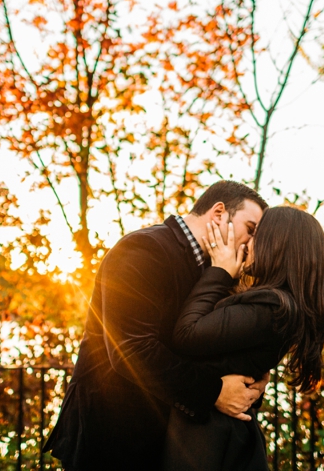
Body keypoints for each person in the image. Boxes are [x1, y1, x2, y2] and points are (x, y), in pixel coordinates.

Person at [43, 180, 269, 471]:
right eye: (250, 230)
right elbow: (131, 350)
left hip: (165, 439)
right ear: (218, 213)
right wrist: (214, 393)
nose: (251, 244)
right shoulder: (142, 250)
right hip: (112, 437)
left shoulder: (216, 270)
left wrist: (253, 380)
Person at [161, 205, 324, 471]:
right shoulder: (279, 306)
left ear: (275, 244)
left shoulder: (270, 307)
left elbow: (187, 334)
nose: (248, 243)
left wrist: (219, 271)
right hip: (221, 435)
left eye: (257, 235)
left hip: (211, 441)